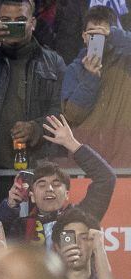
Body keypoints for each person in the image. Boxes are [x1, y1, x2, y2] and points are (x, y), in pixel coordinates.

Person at [0, 0, 66, 181]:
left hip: (33, 166)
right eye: (6, 20)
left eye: (20, 20)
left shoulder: (54, 63)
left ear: (33, 23)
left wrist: (35, 128)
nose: (13, 25)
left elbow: (59, 112)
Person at [0, 117, 116, 246]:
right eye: (42, 184)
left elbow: (106, 178)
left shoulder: (81, 217)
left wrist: (71, 143)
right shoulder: (20, 227)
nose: (49, 189)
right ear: (32, 196)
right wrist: (10, 206)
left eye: (56, 184)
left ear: (67, 194)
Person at [61, 7, 131, 168]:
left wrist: (114, 35)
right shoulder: (73, 70)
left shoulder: (127, 64)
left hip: (124, 159)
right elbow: (72, 115)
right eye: (93, 33)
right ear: (84, 36)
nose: (98, 39)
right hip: (86, 163)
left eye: (102, 34)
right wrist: (90, 78)